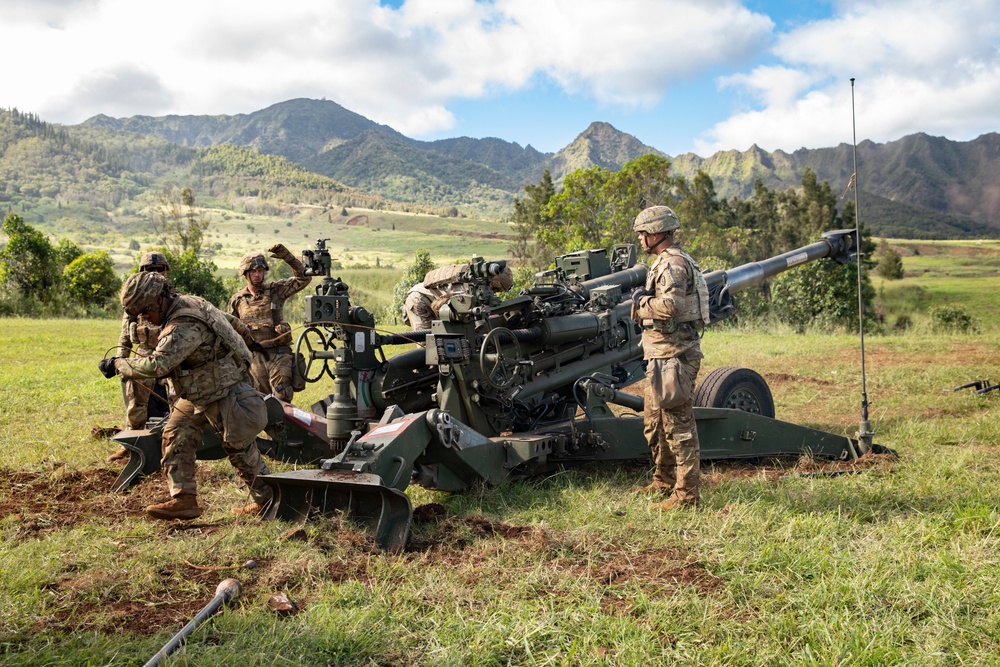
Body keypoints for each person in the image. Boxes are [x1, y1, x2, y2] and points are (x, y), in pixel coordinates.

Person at [99, 272, 275, 520]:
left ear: (158, 300)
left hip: (224, 390)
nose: (145, 319)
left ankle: (269, 499)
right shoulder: (193, 301)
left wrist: (118, 365)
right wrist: (249, 340)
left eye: (145, 312)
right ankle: (184, 500)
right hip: (197, 391)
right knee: (175, 436)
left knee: (240, 449)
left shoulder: (182, 326)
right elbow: (231, 322)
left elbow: (157, 365)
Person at [630, 205, 710, 509]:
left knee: (679, 428)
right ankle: (663, 481)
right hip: (661, 353)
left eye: (643, 233)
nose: (640, 239)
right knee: (655, 425)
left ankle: (686, 496)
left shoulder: (672, 264)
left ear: (657, 233)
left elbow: (671, 307)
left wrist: (641, 304)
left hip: (674, 354)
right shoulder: (665, 262)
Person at [109, 251, 171, 462]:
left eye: (160, 270)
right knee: (136, 405)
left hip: (171, 353)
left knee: (175, 403)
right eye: (150, 270)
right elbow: (125, 334)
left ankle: (171, 447)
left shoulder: (172, 298)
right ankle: (132, 445)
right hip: (143, 353)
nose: (156, 275)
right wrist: (121, 361)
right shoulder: (135, 300)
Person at [228, 244, 312, 402]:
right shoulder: (237, 300)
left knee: (282, 398)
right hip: (254, 358)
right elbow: (230, 331)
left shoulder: (275, 290)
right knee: (259, 402)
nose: (258, 275)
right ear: (245, 273)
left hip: (278, 355)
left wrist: (287, 257)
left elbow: (304, 278)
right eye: (253, 271)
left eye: (260, 271)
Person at [402, 264, 514, 329]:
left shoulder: (480, 286)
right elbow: (439, 307)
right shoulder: (468, 284)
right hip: (420, 300)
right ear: (493, 283)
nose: (495, 293)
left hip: (432, 300)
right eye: (496, 290)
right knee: (428, 347)